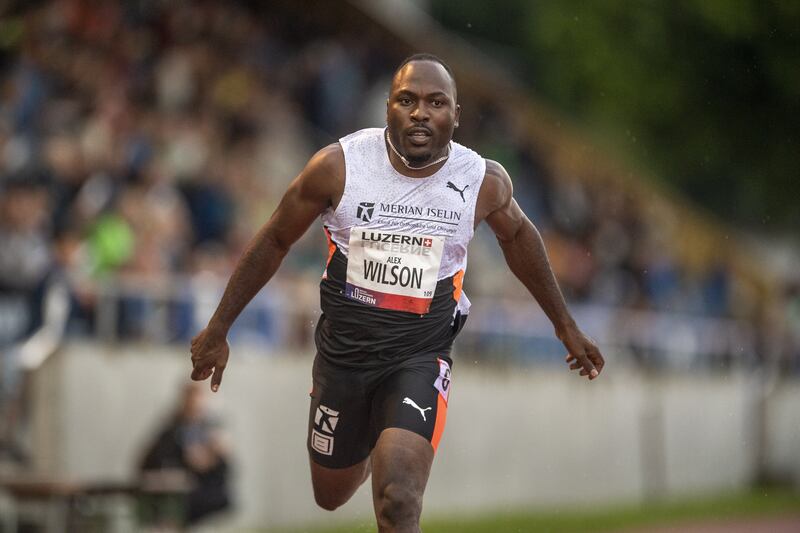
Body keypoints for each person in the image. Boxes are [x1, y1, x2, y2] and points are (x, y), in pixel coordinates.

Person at [190, 53, 604, 532]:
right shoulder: (338, 166)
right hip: (343, 357)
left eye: (436, 102)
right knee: (331, 494)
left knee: (398, 500)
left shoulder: (480, 180)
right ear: (387, 108)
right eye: (407, 100)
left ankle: (392, 435)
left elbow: (519, 238)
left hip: (420, 356)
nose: (420, 112)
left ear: (455, 115)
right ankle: (368, 433)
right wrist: (219, 326)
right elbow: (276, 238)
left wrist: (565, 325)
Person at [138, 381, 232, 528]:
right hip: (175, 488)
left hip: (200, 487)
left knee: (222, 497)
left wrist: (216, 457)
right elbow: (157, 461)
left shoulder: (207, 429)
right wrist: (187, 458)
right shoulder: (172, 430)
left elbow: (223, 467)